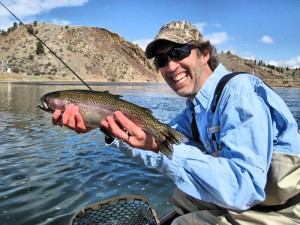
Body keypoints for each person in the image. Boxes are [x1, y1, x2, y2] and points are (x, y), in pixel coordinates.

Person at [52, 21, 300, 224]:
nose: (170, 66)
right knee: (184, 197)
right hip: (258, 198)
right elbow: (159, 148)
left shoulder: (239, 93)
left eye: (178, 53)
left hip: (283, 207)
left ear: (204, 54)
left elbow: (244, 189)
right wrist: (104, 126)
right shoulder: (193, 112)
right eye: (161, 60)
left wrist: (162, 147)